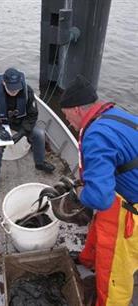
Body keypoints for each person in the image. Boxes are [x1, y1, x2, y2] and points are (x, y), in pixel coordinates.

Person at [57, 74, 138, 305]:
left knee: (115, 272)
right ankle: (88, 260)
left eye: (66, 115)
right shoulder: (116, 114)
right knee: (100, 223)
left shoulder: (96, 135)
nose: (68, 122)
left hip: (132, 210)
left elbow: (100, 199)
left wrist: (81, 193)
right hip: (123, 191)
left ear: (76, 110)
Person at [0, 67, 55, 187]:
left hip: (20, 122)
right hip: (0, 123)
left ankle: (40, 162)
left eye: (16, 88)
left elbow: (32, 115)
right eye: (11, 89)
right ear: (4, 83)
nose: (14, 91)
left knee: (39, 134)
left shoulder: (28, 91)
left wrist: (22, 132)